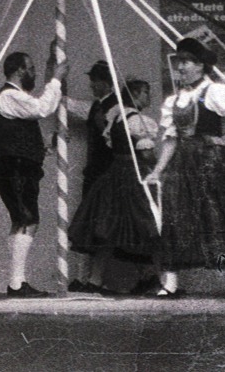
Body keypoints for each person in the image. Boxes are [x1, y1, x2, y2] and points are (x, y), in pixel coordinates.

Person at [144, 37, 225, 297]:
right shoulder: (174, 100)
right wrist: (158, 169)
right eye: (179, 62)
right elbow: (171, 138)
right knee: (177, 216)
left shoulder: (216, 91)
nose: (181, 67)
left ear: (201, 65)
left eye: (187, 62)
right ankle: (170, 284)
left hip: (214, 163)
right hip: (183, 164)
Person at [68, 79, 162, 293]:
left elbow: (112, 142)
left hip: (114, 174)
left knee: (109, 228)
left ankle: (96, 280)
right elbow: (146, 153)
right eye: (146, 92)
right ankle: (159, 280)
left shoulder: (116, 116)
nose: (149, 97)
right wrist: (159, 169)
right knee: (148, 224)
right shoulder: (138, 120)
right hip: (134, 174)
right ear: (137, 93)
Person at [0, 43, 67, 296]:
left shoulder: (14, 96)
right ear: (18, 71)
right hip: (16, 167)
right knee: (28, 219)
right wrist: (56, 79)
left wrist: (50, 66)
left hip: (17, 165)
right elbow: (42, 107)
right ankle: (16, 283)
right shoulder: (9, 95)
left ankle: (16, 281)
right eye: (31, 69)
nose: (33, 74)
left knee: (21, 219)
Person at [67, 60, 120, 292]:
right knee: (92, 225)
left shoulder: (114, 107)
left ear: (105, 82)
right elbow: (70, 105)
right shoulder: (98, 107)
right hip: (97, 172)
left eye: (94, 81)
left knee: (103, 226)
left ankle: (95, 279)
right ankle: (87, 278)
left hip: (107, 172)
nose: (91, 85)